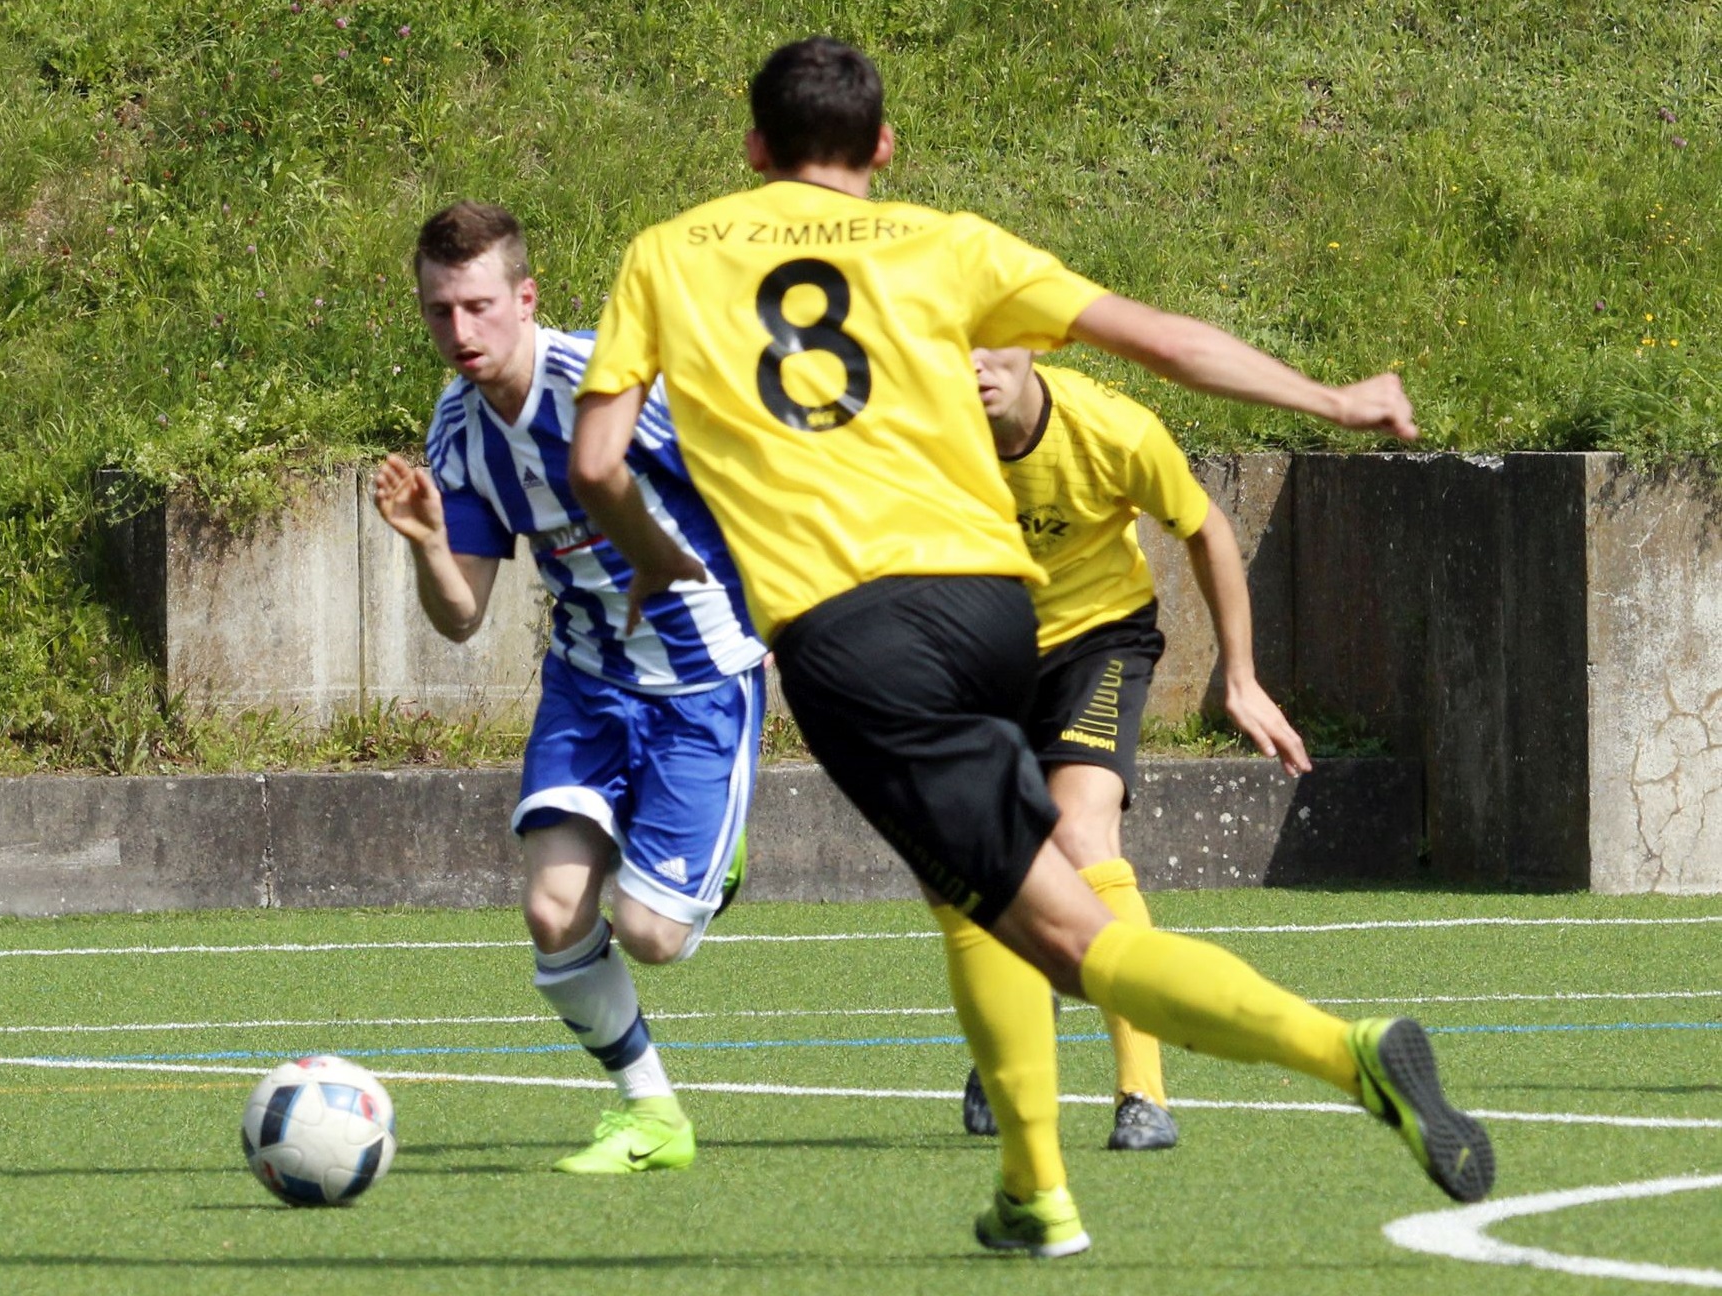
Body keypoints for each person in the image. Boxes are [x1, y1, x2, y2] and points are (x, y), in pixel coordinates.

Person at [568, 37, 1494, 1255]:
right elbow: (1160, 340)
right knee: (975, 899)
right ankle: (1030, 1191)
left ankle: (1346, 1054)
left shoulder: (668, 253)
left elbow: (594, 462)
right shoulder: (943, 241)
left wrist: (646, 550)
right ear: (883, 148)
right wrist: (1333, 399)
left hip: (854, 637)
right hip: (1000, 606)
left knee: (1070, 938)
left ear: (751, 150)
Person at [373, 200, 767, 1175]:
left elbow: (759, 477)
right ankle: (651, 1116)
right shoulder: (456, 427)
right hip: (588, 683)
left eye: (476, 306)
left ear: (525, 297)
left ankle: (712, 852)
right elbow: (461, 616)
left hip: (700, 680)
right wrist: (426, 545)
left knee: (652, 936)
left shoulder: (609, 382)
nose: (458, 333)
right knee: (553, 915)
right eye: (438, 311)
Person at [958, 346, 1313, 1153]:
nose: (973, 364)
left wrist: (1242, 677)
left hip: (1097, 642)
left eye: (991, 343)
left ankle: (1141, 1093)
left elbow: (1207, 530)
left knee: (1082, 837)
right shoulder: (921, 433)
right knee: (988, 855)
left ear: (1036, 343)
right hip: (981, 644)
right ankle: (1019, 1010)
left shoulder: (1112, 430)